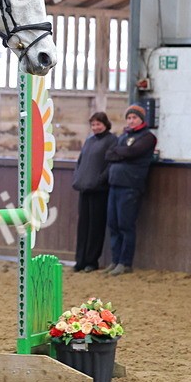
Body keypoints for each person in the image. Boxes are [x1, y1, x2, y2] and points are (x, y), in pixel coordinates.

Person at [105, 104, 157, 276]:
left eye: (134, 117)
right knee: (113, 224)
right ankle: (115, 260)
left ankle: (125, 262)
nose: (131, 121)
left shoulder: (148, 137)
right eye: (128, 118)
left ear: (141, 119)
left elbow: (133, 152)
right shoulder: (123, 136)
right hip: (115, 184)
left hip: (130, 185)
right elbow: (109, 154)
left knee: (125, 225)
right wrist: (123, 153)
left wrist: (120, 153)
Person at [72, 111, 117, 272]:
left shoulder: (111, 140)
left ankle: (92, 260)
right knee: (83, 225)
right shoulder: (89, 141)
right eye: (93, 124)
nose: (95, 127)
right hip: (85, 187)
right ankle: (80, 260)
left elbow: (110, 164)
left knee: (95, 226)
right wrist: (78, 176)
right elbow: (80, 161)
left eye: (98, 124)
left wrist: (100, 180)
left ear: (105, 124)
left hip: (99, 189)